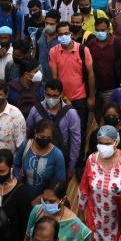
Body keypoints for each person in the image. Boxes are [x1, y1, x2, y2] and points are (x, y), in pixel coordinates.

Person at [23, 180, 92, 241]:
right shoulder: (37, 212)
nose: (46, 204)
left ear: (62, 200)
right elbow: (26, 239)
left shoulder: (76, 227)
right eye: (44, 199)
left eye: (51, 201)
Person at [48, 22, 95, 156]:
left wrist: (91, 96)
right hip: (62, 99)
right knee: (62, 130)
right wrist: (62, 97)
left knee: (79, 131)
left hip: (80, 98)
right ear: (57, 35)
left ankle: (79, 160)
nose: (64, 36)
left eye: (66, 33)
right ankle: (65, 158)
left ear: (72, 34)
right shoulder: (54, 51)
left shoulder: (83, 50)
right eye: (61, 34)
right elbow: (55, 76)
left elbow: (91, 73)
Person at [25, 79, 81, 177]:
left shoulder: (71, 113)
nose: (51, 98)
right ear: (44, 93)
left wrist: (71, 166)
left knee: (57, 186)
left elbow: (75, 141)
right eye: (48, 95)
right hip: (37, 156)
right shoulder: (36, 110)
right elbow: (27, 132)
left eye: (55, 96)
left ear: (61, 94)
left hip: (61, 158)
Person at [86, 16, 121, 122]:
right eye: (97, 30)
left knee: (110, 117)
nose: (100, 32)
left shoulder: (118, 44)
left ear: (108, 29)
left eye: (103, 30)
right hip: (96, 88)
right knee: (96, 116)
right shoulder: (91, 44)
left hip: (113, 88)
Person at [14, 118, 67, 201]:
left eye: (48, 138)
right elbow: (16, 165)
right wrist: (18, 181)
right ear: (35, 133)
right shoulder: (26, 145)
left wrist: (41, 198)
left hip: (45, 200)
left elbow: (60, 182)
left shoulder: (57, 155)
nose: (45, 140)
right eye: (42, 137)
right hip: (23, 195)